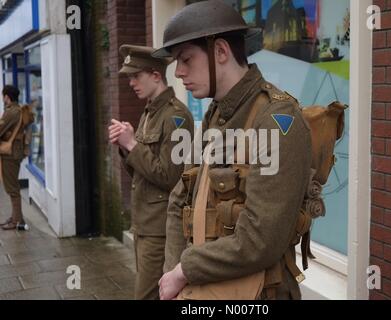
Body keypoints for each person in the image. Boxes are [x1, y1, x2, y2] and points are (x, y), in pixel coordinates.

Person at [156, 0, 312, 300]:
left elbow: (260, 239)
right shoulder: (217, 113)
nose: (178, 72)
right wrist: (172, 276)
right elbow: (180, 199)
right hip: (203, 289)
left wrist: (183, 270)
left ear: (221, 52)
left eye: (186, 59)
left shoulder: (277, 121)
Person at [108, 45, 194, 300]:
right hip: (145, 223)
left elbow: (172, 177)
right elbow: (142, 173)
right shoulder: (149, 112)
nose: (131, 82)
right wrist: (126, 148)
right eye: (129, 77)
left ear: (156, 75)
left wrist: (132, 144)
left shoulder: (177, 117)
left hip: (160, 228)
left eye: (136, 76)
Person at [0, 85, 27, 231]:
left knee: (12, 188)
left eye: (3, 95)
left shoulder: (11, 112)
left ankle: (16, 222)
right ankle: (17, 218)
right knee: (13, 186)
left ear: (7, 96)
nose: (2, 98)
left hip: (10, 154)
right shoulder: (18, 109)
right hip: (15, 152)